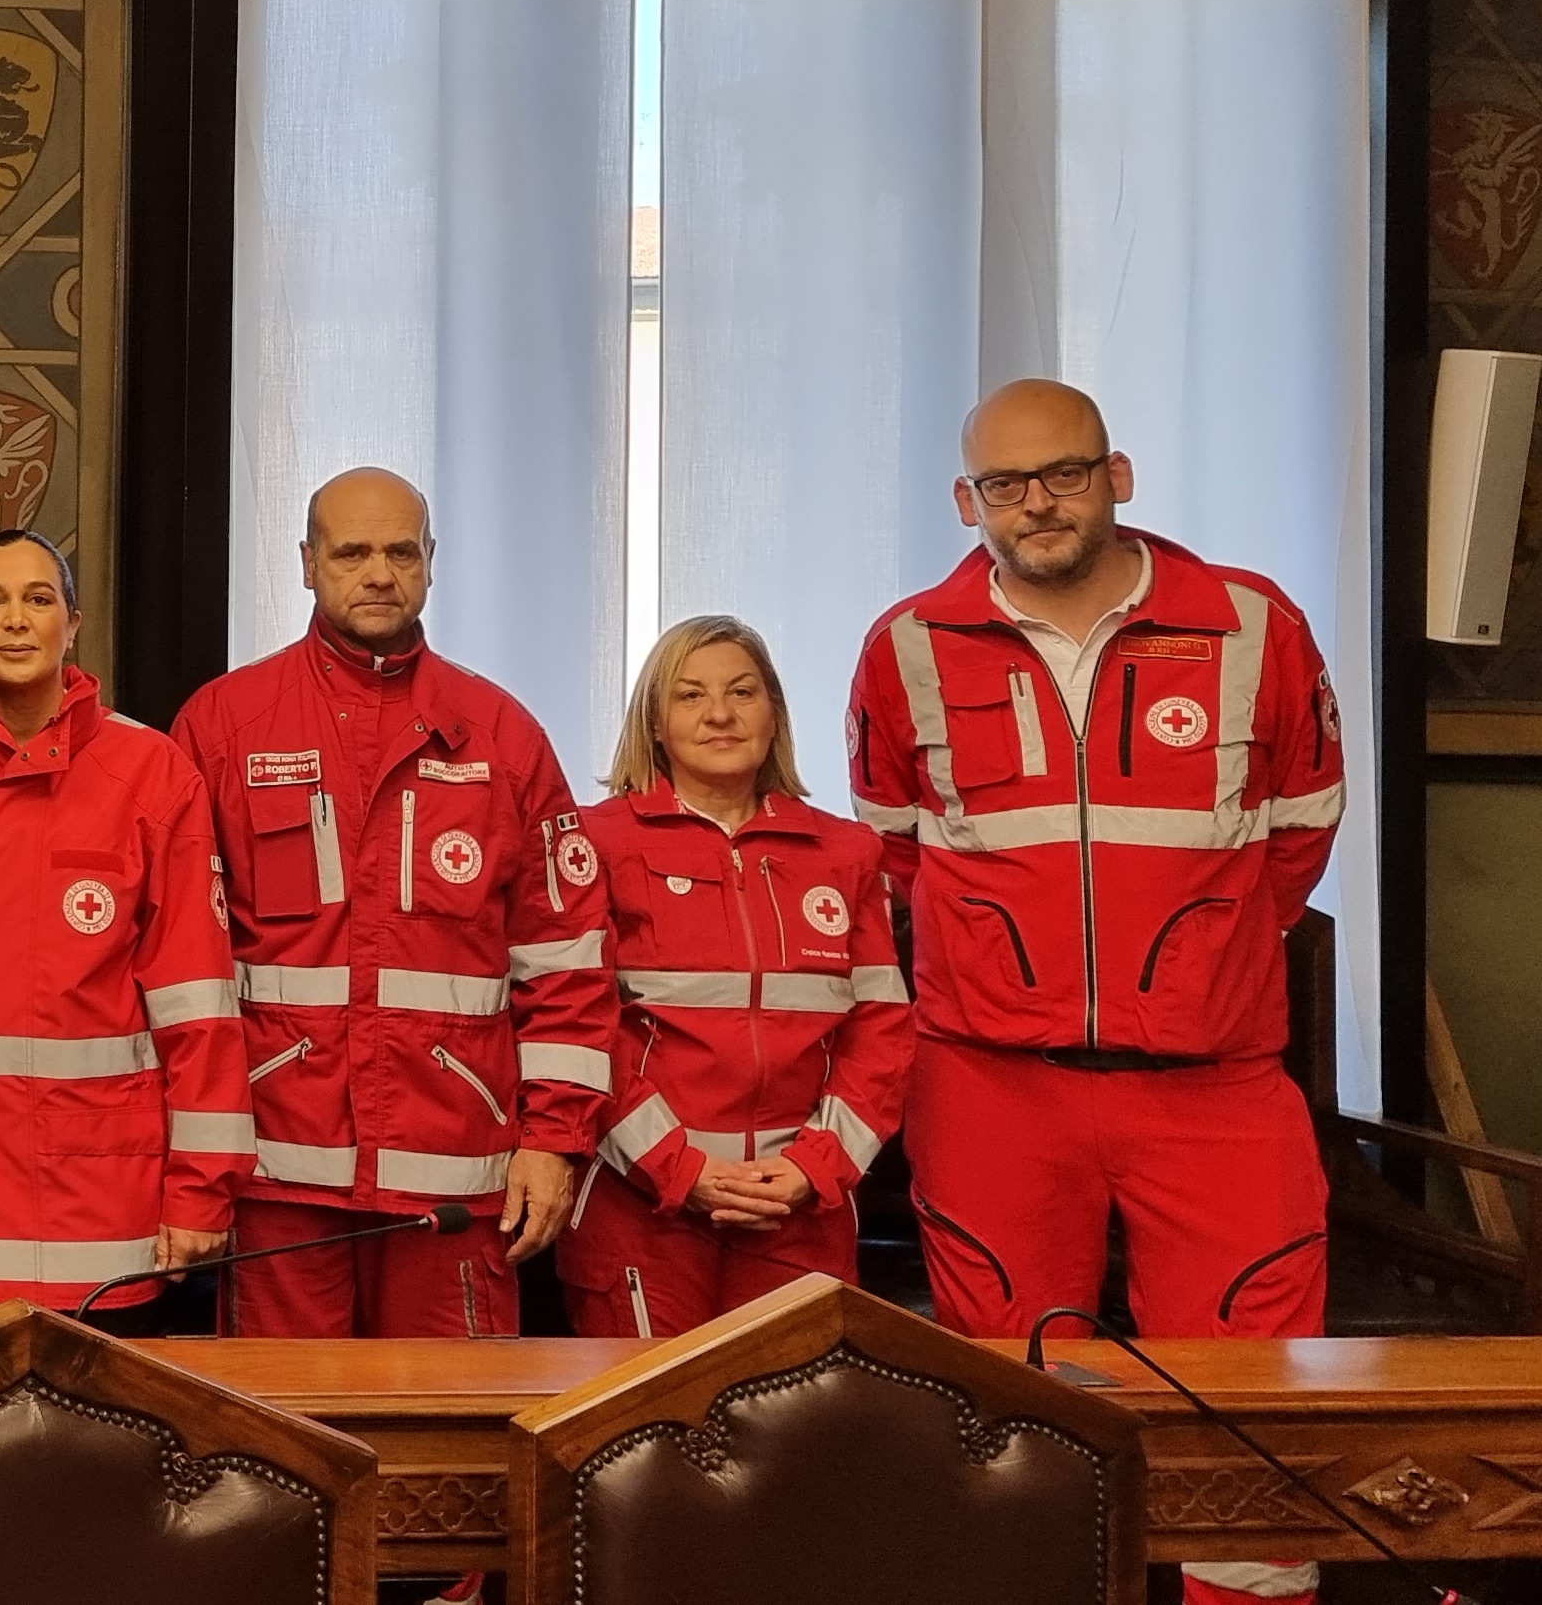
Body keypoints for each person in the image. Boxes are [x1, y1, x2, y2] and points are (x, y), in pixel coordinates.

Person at [849, 379, 1343, 1605]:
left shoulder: (1251, 623)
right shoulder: (906, 644)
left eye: (1064, 472)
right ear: (966, 500)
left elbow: (1299, 831)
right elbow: (899, 852)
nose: (1037, 502)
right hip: (991, 1086)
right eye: (1005, 484)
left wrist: (1195, 963)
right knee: (1012, 1403)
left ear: (1116, 475)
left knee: (1247, 1396)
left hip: (1215, 1083)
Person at [167, 467, 617, 1341]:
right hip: (277, 1178)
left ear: (431, 562)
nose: (379, 573)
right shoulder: (223, 726)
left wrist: (555, 1140)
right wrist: (195, 1166)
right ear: (307, 563)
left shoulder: (503, 735)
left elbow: (567, 960)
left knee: (449, 1417)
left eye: (401, 552)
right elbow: (181, 968)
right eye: (352, 553)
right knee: (285, 1421)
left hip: (455, 1181)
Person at [0, 531, 243, 1333]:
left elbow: (198, 1008)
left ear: (73, 623)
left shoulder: (151, 773)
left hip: (92, 1216)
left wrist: (202, 1189)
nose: (15, 620)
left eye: (38, 600)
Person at [558, 615, 910, 1338]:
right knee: (650, 1408)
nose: (719, 713)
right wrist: (678, 1168)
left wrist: (815, 1167)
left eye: (742, 692)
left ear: (773, 712)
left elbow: (882, 1031)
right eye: (690, 695)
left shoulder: (847, 853)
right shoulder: (596, 842)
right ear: (655, 724)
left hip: (799, 1211)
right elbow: (582, 1027)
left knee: (793, 1410)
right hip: (641, 1208)